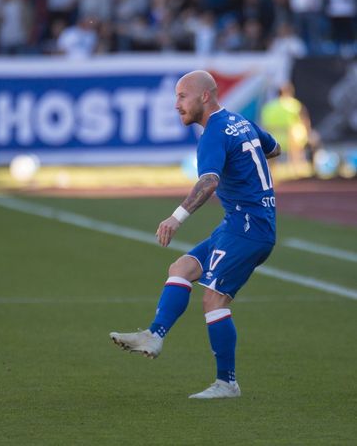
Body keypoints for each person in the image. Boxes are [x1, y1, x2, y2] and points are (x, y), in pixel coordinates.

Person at [110, 71, 281, 399]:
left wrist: (176, 218)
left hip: (249, 229)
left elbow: (208, 182)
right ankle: (154, 335)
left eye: (182, 96)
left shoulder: (214, 134)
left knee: (213, 299)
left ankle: (227, 383)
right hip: (238, 223)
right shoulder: (238, 121)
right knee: (181, 269)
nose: (176, 104)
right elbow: (273, 148)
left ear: (205, 96)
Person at [261, 82, 314, 178]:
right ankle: (297, 169)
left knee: (271, 155)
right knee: (304, 142)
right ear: (288, 92)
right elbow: (304, 121)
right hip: (292, 139)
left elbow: (265, 125)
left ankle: (271, 172)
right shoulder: (294, 105)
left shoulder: (268, 107)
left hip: (273, 138)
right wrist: (307, 133)